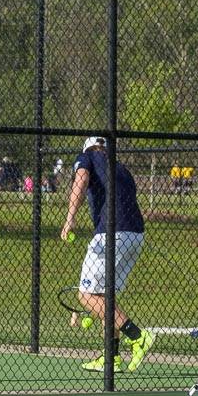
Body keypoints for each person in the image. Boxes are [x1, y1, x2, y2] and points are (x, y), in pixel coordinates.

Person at [61, 136, 154, 372]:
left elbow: (80, 181)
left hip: (111, 235)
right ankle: (110, 357)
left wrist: (70, 219)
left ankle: (137, 336)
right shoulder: (120, 167)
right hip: (135, 235)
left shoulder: (87, 156)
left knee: (86, 295)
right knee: (104, 298)